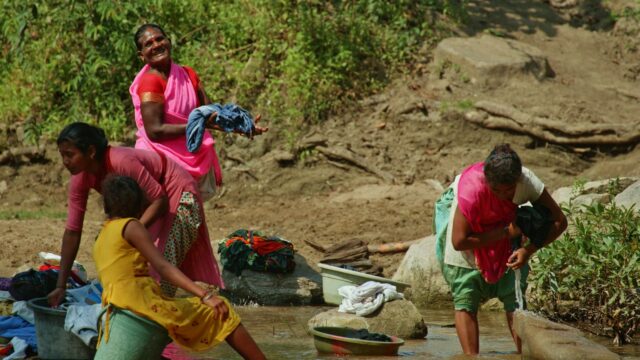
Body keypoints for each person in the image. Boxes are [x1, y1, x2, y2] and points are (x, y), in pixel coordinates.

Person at [48, 122, 222, 306]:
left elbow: (159, 200)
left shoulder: (121, 160)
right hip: (148, 205)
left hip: (176, 193)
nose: (65, 162)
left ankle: (168, 312)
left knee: (158, 268)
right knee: (136, 268)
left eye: (70, 155)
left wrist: (126, 233)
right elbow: (73, 232)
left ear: (91, 152)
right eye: (62, 156)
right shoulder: (79, 178)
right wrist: (61, 285)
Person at [94, 175, 266, 359]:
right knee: (220, 311)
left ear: (107, 205)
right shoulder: (131, 226)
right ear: (139, 205)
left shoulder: (102, 235)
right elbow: (163, 266)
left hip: (117, 310)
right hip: (143, 306)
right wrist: (205, 295)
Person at [433, 144, 567, 355]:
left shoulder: (527, 181)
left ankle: (522, 355)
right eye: (496, 190)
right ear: (487, 181)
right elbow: (459, 241)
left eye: (509, 190)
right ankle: (471, 357)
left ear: (518, 181)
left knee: (514, 299)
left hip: (509, 236)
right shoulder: (471, 191)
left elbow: (560, 221)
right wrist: (506, 232)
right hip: (471, 240)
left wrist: (528, 250)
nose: (503, 196)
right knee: (466, 297)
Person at [130, 23, 267, 200]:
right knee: (171, 221)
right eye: (149, 44)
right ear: (141, 55)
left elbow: (209, 115)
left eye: (159, 39)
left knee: (188, 221)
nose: (156, 45)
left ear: (169, 41)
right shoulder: (150, 82)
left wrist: (241, 125)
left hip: (191, 157)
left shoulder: (188, 74)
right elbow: (155, 131)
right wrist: (196, 125)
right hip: (161, 162)